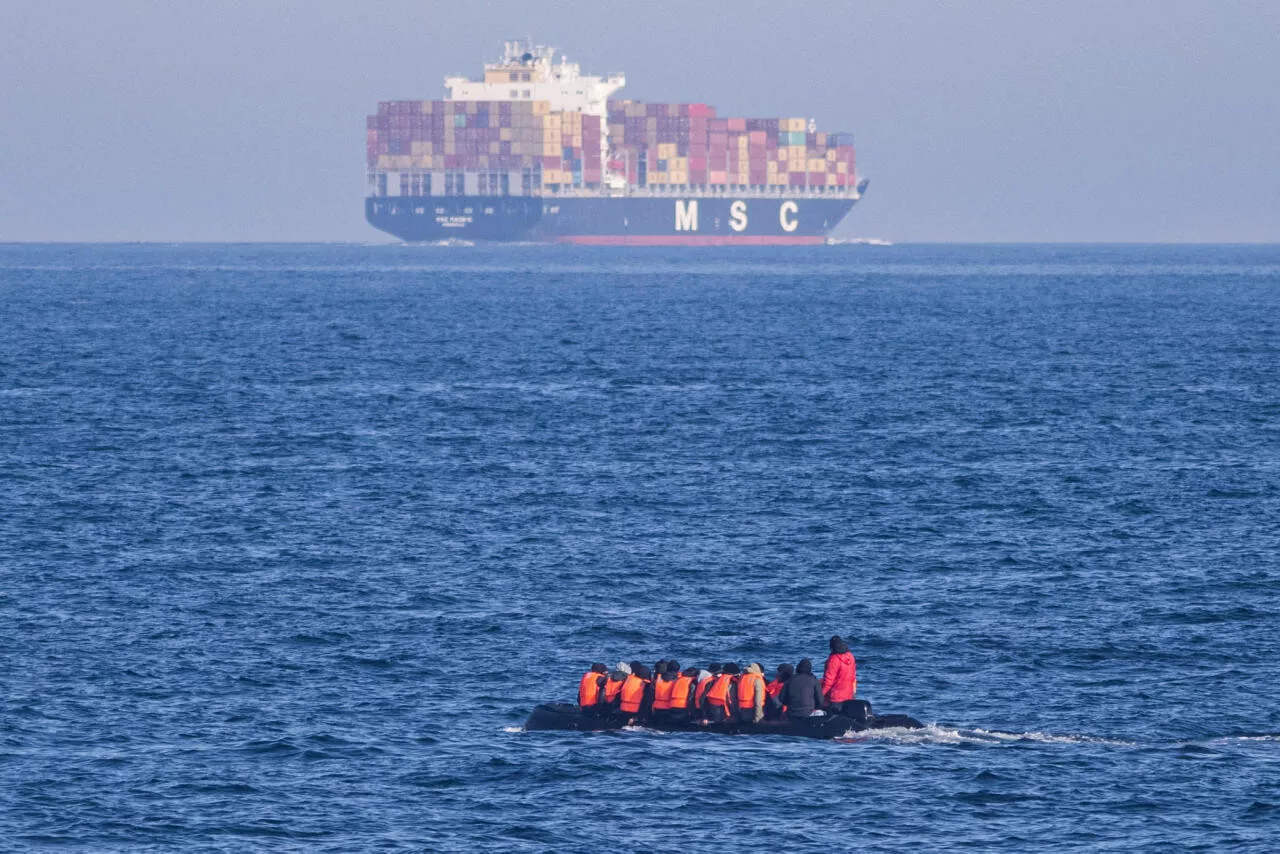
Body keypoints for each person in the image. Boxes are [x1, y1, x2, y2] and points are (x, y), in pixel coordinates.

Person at [821, 635, 858, 714]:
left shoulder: (834, 659)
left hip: (836, 697)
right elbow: (853, 677)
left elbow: (828, 681)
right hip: (849, 695)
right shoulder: (850, 656)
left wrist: (820, 696)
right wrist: (853, 693)